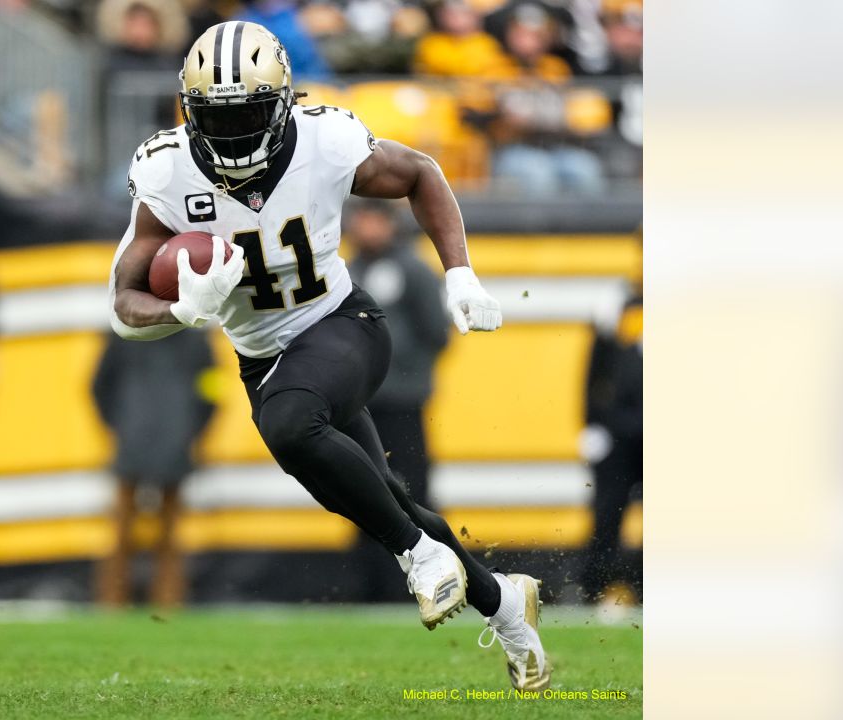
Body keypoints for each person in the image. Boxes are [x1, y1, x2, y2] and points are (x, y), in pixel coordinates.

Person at [107, 21, 550, 691]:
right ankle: (509, 608)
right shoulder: (167, 171)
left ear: (282, 101)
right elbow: (124, 302)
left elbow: (421, 173)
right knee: (384, 501)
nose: (232, 134)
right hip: (265, 361)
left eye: (249, 113)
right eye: (216, 118)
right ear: (189, 112)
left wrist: (459, 273)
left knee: (293, 431)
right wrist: (181, 312)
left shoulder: (325, 140)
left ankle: (420, 556)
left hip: (343, 325)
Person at [345, 199, 451, 603]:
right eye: (361, 219)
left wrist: (402, 368)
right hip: (358, 404)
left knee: (413, 490)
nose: (367, 227)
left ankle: (431, 580)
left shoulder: (414, 269)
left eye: (375, 219)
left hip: (403, 404)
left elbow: (437, 333)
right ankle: (368, 586)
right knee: (358, 488)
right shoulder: (346, 270)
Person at [90, 329, 216, 608]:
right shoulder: (195, 338)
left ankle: (112, 603)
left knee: (122, 531)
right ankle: (168, 604)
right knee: (169, 535)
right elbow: (212, 391)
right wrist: (194, 432)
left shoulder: (121, 334)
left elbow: (98, 387)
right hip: (176, 440)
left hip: (132, 439)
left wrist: (119, 427)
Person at [579, 288, 642, 614]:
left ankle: (643, 588)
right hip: (618, 431)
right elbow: (595, 367)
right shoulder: (619, 305)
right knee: (607, 512)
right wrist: (590, 421)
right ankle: (596, 590)